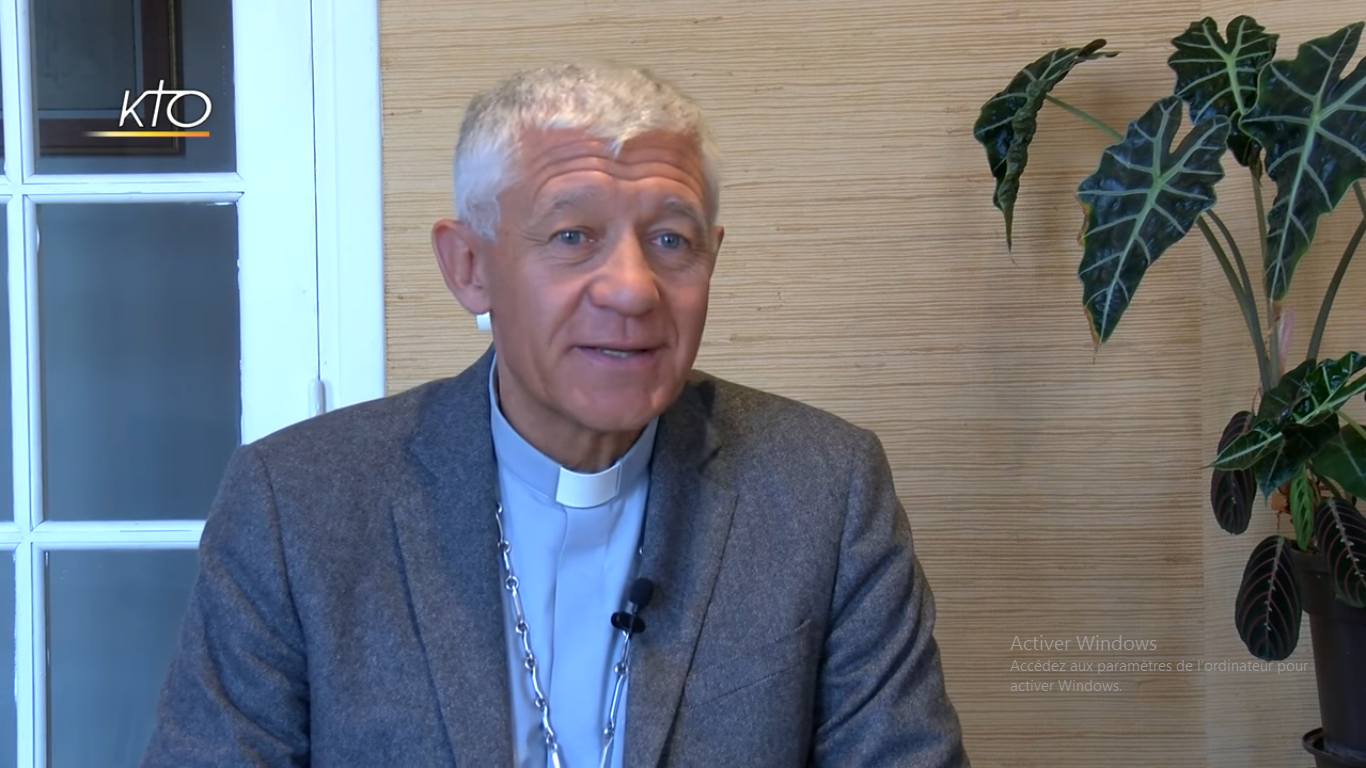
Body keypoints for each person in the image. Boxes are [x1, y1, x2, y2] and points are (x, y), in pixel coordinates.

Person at [142, 62, 969, 768]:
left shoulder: (824, 489)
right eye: (573, 235)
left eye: (672, 241)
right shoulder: (296, 502)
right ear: (469, 266)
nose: (633, 290)